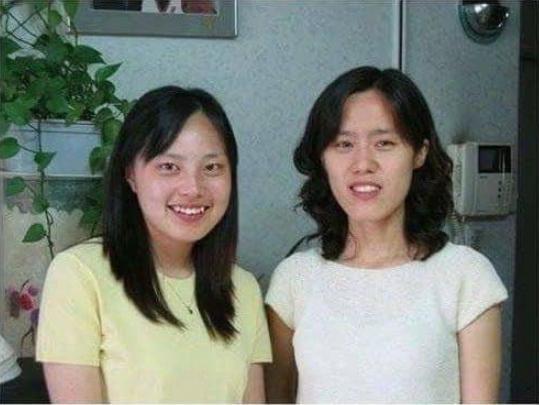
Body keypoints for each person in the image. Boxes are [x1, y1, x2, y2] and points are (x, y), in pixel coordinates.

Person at [265, 66, 508, 403]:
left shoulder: (466, 276)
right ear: (322, 159)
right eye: (344, 144)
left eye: (384, 143)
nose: (363, 163)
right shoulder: (294, 279)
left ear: (419, 153)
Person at [36, 86, 271, 403]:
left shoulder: (243, 287)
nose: (193, 188)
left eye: (212, 167)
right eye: (169, 167)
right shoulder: (79, 274)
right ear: (130, 174)